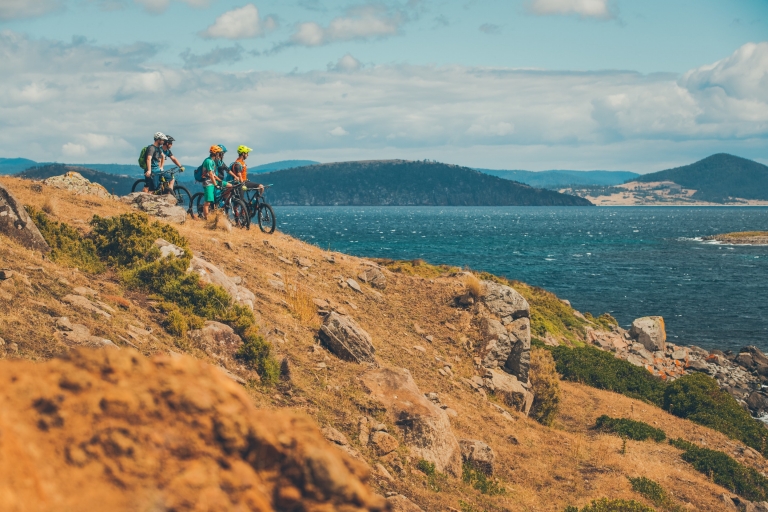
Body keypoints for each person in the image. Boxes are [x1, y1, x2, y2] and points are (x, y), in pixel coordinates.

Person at [200, 145, 224, 219]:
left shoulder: (213, 161)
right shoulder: (208, 161)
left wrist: (220, 180)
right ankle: (206, 219)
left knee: (229, 185)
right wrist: (216, 184)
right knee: (207, 203)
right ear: (215, 153)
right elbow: (210, 174)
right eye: (219, 153)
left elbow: (213, 174)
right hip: (208, 183)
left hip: (213, 181)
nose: (220, 155)